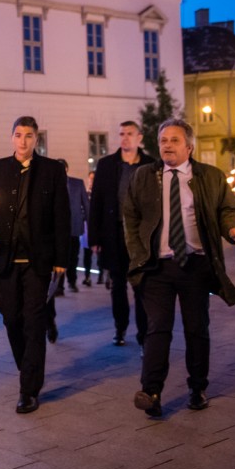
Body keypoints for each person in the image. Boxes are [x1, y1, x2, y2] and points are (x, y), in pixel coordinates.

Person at [123, 119, 235, 417]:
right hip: (157, 267)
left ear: (189, 147)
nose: (167, 145)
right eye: (163, 140)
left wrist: (232, 230)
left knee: (196, 328)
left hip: (196, 265)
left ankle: (197, 388)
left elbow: (227, 209)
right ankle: (151, 391)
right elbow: (131, 216)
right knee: (157, 327)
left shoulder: (210, 177)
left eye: (174, 140)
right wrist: (139, 254)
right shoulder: (143, 176)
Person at [0, 116, 70, 414]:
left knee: (33, 321)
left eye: (29, 136)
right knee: (10, 318)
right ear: (12, 137)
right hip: (5, 257)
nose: (23, 141)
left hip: (37, 261)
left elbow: (61, 215)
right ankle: (27, 367)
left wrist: (61, 259)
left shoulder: (51, 170)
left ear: (36, 139)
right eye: (18, 135)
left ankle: (29, 388)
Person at [88, 121, 154, 347]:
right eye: (122, 134)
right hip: (114, 234)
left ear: (139, 137)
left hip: (141, 237)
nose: (125, 137)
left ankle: (143, 334)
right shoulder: (107, 165)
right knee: (117, 285)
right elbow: (96, 202)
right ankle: (120, 327)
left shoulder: (150, 165)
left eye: (130, 133)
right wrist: (94, 238)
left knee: (141, 286)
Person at [55, 159, 89, 294]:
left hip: (74, 227)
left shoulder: (77, 183)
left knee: (73, 257)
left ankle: (72, 281)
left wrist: (88, 222)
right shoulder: (51, 184)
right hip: (57, 229)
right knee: (58, 258)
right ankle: (59, 286)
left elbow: (86, 205)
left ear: (66, 169)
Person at [81, 171, 96, 287]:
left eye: (93, 178)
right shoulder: (86, 193)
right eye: (90, 178)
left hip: (97, 226)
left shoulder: (100, 193)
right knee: (87, 253)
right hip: (87, 226)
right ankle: (87, 276)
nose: (91, 181)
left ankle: (104, 276)